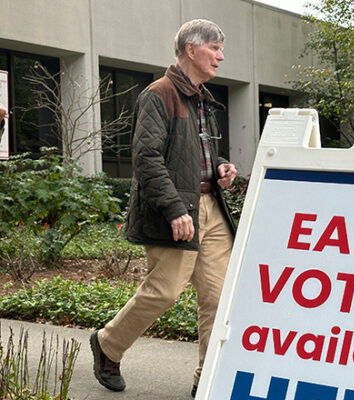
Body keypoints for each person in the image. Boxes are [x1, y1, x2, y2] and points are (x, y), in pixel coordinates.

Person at [90, 19, 237, 398]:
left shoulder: (203, 97)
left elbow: (193, 151)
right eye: (215, 48)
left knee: (218, 297)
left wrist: (219, 165)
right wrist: (174, 208)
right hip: (176, 210)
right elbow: (147, 158)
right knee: (164, 291)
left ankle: (206, 377)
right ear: (191, 49)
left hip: (211, 208)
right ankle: (108, 345)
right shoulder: (159, 94)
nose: (221, 56)